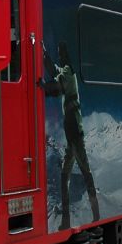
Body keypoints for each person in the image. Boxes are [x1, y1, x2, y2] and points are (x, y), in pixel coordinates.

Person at [42, 41, 100, 229]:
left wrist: (42, 86)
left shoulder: (68, 72)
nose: (59, 56)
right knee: (67, 175)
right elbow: (53, 71)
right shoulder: (66, 71)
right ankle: (68, 220)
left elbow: (55, 86)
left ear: (65, 55)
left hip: (74, 130)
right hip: (71, 133)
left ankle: (95, 215)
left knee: (82, 173)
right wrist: (44, 54)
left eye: (60, 53)